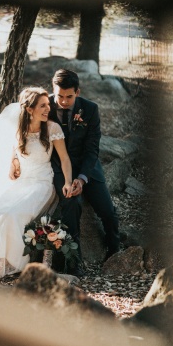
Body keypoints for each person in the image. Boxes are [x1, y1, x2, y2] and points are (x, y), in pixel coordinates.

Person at [0, 87, 74, 278]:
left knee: (12, 215)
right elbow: (13, 153)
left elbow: (65, 159)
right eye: (42, 106)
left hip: (42, 184)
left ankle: (11, 264)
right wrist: (14, 161)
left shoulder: (52, 128)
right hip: (22, 183)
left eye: (47, 105)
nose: (47, 109)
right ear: (29, 109)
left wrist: (67, 182)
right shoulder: (19, 130)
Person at [49, 69, 120, 276]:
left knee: (107, 210)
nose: (63, 101)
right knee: (71, 204)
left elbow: (92, 149)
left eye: (68, 96)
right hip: (59, 167)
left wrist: (82, 178)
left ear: (78, 92)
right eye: (59, 96)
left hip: (88, 167)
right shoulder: (46, 108)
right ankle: (73, 262)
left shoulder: (90, 109)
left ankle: (114, 248)